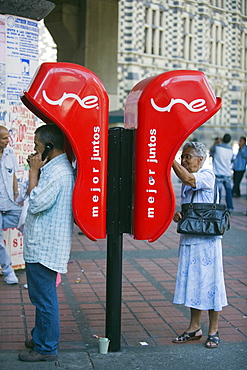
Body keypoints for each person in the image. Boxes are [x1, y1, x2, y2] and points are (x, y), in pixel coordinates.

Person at [18, 124, 75, 362]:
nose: (34, 151)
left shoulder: (59, 172)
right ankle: (40, 336)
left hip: (45, 247)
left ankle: (46, 347)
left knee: (44, 300)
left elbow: (37, 202)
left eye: (37, 147)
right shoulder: (54, 169)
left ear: (49, 147)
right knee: (41, 297)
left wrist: (33, 172)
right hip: (43, 244)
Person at [172, 142, 228, 349]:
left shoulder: (207, 175)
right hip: (190, 238)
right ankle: (194, 327)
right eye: (183, 157)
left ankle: (213, 330)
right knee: (193, 283)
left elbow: (187, 177)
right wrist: (180, 215)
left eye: (188, 157)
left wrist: (169, 160)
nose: (184, 161)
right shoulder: (189, 183)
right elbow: (190, 207)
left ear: (200, 159)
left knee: (212, 284)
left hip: (207, 241)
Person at [0, 125, 22, 284]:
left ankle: (37, 267)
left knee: (29, 224)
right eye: (4, 138)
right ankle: (8, 271)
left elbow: (13, 176)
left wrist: (16, 195)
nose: (8, 141)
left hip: (10, 203)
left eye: (8, 137)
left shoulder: (10, 154)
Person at [210, 133, 234, 211]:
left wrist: (216, 142)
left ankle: (217, 208)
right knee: (228, 192)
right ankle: (230, 207)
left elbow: (211, 152)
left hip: (218, 173)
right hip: (227, 173)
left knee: (218, 192)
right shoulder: (230, 149)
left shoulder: (217, 148)